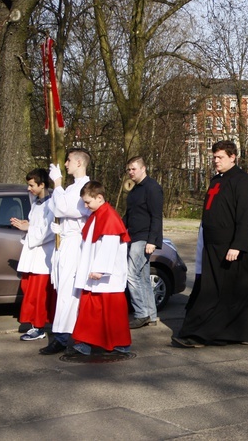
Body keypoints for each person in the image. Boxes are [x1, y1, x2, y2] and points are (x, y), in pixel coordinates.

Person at [173, 140, 248, 348]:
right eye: (214, 157)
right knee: (215, 292)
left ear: (233, 157)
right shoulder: (215, 181)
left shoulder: (243, 181)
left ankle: (200, 334)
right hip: (214, 249)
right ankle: (210, 333)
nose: (215, 161)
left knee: (235, 293)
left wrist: (237, 246)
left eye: (220, 157)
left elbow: (247, 215)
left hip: (234, 249)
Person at [69, 181, 132, 355]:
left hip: (106, 275)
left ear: (99, 197)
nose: (86, 206)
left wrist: (100, 269)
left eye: (88, 202)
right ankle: (86, 342)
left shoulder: (109, 216)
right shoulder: (97, 214)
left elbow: (110, 246)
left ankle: (119, 342)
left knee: (111, 311)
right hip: (95, 272)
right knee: (93, 308)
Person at [39, 148, 92, 355]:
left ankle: (65, 336)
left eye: (69, 160)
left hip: (76, 244)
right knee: (62, 289)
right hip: (66, 242)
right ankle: (63, 334)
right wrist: (60, 229)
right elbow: (56, 208)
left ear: (79, 163)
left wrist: (57, 183)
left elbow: (62, 208)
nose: (66, 164)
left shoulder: (85, 187)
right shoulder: (71, 188)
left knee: (70, 293)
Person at [10, 168, 56, 341]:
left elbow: (49, 231)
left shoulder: (51, 204)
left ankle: (39, 327)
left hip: (43, 258)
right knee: (28, 289)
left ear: (42, 184)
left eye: (31, 185)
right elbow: (37, 225)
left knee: (39, 293)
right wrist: (26, 224)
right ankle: (33, 324)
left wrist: (29, 228)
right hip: (32, 255)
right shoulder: (37, 203)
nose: (28, 189)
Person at [123, 156, 164, 330]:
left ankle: (141, 314)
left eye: (134, 169)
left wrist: (152, 241)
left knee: (131, 274)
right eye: (129, 169)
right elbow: (130, 214)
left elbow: (156, 216)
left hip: (144, 238)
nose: (131, 172)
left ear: (143, 168)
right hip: (133, 237)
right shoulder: (135, 190)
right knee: (142, 277)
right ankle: (151, 315)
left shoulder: (152, 188)